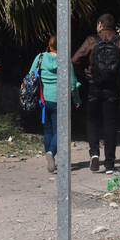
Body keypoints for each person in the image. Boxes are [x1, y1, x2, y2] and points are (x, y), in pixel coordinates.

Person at [72, 13, 120, 173]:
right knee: (110, 123)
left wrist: (86, 74)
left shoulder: (91, 41)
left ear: (100, 25)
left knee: (92, 121)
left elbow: (75, 59)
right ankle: (110, 164)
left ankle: (94, 154)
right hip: (112, 88)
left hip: (94, 86)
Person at [30, 35, 79, 174]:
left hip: (44, 100)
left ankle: (49, 157)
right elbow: (73, 84)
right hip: (61, 101)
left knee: (48, 131)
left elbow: (31, 75)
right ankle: (51, 152)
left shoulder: (40, 57)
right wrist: (77, 100)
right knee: (60, 131)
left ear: (49, 45)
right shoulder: (65, 60)